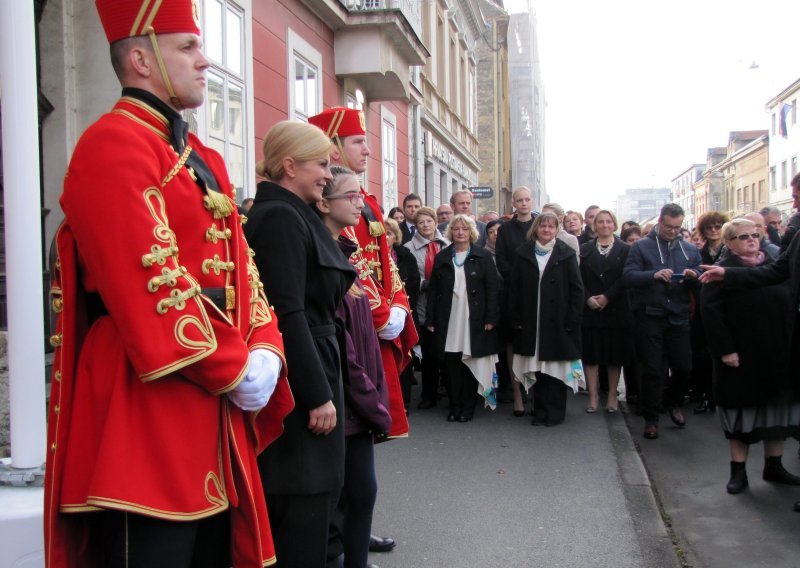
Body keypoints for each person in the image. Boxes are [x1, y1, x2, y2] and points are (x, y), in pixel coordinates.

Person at [44, 2, 293, 566]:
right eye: (187, 47)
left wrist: (266, 346)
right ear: (140, 57)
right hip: (142, 408)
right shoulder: (112, 144)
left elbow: (242, 266)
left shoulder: (197, 153)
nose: (205, 61)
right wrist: (234, 366)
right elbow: (150, 282)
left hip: (209, 405)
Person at [245, 120, 357, 567]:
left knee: (323, 503)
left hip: (317, 358)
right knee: (303, 506)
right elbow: (287, 313)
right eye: (321, 165)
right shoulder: (278, 217)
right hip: (301, 376)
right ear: (289, 166)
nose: (329, 175)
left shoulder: (295, 213)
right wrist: (316, 395)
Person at [309, 106, 416, 554]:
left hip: (376, 331)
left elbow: (385, 267)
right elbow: (344, 274)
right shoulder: (323, 209)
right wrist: (377, 314)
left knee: (362, 465)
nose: (368, 149)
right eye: (357, 142)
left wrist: (397, 307)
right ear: (332, 147)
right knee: (349, 466)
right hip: (353, 334)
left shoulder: (365, 201)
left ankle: (355, 529)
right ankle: (346, 538)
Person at [314, 166, 393, 568]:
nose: (360, 202)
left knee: (363, 494)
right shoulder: (324, 259)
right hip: (345, 404)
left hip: (360, 404)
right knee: (345, 499)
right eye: (351, 195)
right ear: (324, 203)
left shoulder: (344, 251)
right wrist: (375, 405)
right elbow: (341, 349)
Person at [701, 217, 800, 512]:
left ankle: (775, 466)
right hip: (742, 356)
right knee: (742, 412)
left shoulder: (770, 259)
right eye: (744, 236)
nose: (752, 240)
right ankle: (738, 472)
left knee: (777, 411)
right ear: (729, 242)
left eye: (756, 234)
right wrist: (725, 350)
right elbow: (711, 315)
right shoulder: (725, 269)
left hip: (776, 354)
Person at [622, 203, 702, 440]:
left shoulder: (689, 249)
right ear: (659, 222)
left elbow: (700, 276)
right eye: (668, 226)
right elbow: (628, 276)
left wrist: (693, 276)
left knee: (684, 366)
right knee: (653, 369)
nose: (673, 231)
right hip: (650, 316)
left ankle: (673, 401)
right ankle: (652, 418)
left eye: (677, 227)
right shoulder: (641, 247)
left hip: (678, 316)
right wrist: (652, 275)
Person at [509, 212, 585, 426]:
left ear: (556, 230)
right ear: (536, 228)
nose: (546, 230)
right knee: (538, 368)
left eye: (551, 227)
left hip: (558, 322)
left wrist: (573, 318)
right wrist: (516, 318)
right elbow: (514, 289)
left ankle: (555, 413)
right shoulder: (523, 253)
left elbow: (577, 289)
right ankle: (539, 410)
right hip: (531, 320)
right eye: (543, 226)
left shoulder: (566, 253)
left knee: (554, 369)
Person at [425, 215, 499, 421]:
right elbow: (434, 291)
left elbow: (493, 289)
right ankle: (454, 405)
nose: (460, 232)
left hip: (474, 317)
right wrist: (430, 319)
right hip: (448, 316)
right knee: (451, 363)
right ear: (451, 232)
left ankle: (467, 407)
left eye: (464, 229)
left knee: (469, 361)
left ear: (471, 232)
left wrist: (491, 317)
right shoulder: (442, 257)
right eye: (456, 229)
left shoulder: (483, 256)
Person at [579, 210, 634, 414]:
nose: (604, 225)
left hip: (616, 309)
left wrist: (607, 296)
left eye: (608, 221)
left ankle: (612, 395)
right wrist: (588, 298)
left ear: (614, 224)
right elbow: (577, 278)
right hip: (591, 309)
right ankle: (593, 396)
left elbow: (626, 277)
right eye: (600, 221)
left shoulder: (626, 249)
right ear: (594, 225)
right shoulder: (584, 249)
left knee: (614, 356)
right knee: (592, 355)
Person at [495, 187, 536, 416]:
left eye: (527, 199)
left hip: (536, 293)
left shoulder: (540, 226)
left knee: (534, 344)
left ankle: (535, 391)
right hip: (513, 293)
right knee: (512, 344)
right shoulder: (506, 229)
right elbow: (500, 258)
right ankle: (518, 394)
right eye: (519, 200)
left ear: (532, 201)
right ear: (513, 202)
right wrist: (516, 279)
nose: (523, 203)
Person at [404, 207, 450, 410]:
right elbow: (407, 276)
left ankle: (450, 391)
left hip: (447, 305)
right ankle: (429, 394)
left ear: (435, 222)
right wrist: (424, 283)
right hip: (423, 305)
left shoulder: (448, 244)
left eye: (429, 221)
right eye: (421, 222)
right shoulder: (408, 248)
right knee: (429, 353)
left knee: (449, 352)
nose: (425, 225)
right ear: (415, 226)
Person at [384, 217, 421, 410]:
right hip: (381, 314)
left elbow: (413, 283)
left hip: (404, 311)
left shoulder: (404, 255)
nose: (385, 237)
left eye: (389, 233)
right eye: (382, 232)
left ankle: (404, 401)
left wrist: (402, 307)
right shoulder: (369, 256)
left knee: (404, 355)